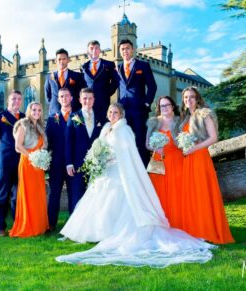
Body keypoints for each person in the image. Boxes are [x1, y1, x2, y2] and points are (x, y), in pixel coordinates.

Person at [56, 103, 216, 268]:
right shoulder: (106, 128)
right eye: (110, 112)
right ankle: (95, 232)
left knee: (114, 201)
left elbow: (127, 152)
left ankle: (111, 232)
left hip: (119, 171)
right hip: (106, 171)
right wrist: (99, 158)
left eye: (116, 112)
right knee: (99, 201)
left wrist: (112, 157)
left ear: (122, 114)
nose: (112, 115)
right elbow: (101, 146)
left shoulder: (124, 130)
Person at [179, 87, 234, 244]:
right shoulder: (184, 118)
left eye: (192, 97)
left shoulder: (205, 114)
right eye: (185, 97)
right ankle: (194, 229)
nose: (188, 100)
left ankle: (206, 229)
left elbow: (213, 138)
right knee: (192, 194)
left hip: (200, 158)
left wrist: (193, 149)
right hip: (188, 159)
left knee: (202, 192)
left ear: (197, 99)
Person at [9, 102, 49, 237]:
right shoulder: (23, 124)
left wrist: (41, 157)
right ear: (29, 111)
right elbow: (18, 146)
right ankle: (28, 226)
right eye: (34, 110)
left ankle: (40, 226)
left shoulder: (40, 126)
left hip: (38, 164)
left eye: (39, 110)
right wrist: (32, 156)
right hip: (27, 163)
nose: (37, 112)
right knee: (28, 194)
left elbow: (42, 145)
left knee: (38, 194)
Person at [0, 90, 25, 237]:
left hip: (21, 161)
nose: (16, 102)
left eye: (19, 99)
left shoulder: (23, 117)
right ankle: (0, 226)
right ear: (8, 101)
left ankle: (17, 224)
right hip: (5, 161)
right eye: (14, 99)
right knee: (2, 194)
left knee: (18, 194)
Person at [117, 39, 157, 166]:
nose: (125, 51)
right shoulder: (117, 68)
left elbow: (152, 86)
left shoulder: (143, 66)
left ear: (133, 49)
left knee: (141, 142)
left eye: (127, 48)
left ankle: (145, 171)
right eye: (122, 49)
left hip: (140, 110)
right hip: (123, 112)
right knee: (124, 142)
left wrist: (147, 103)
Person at [146, 96, 183, 229]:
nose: (165, 108)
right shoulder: (153, 122)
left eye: (167, 105)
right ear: (159, 108)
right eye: (162, 106)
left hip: (176, 159)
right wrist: (157, 148)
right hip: (159, 162)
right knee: (159, 193)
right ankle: (161, 223)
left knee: (176, 192)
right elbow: (147, 144)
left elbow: (185, 140)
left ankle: (177, 222)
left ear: (173, 106)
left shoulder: (180, 121)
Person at [65, 88, 102, 213]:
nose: (87, 101)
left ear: (94, 100)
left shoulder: (101, 117)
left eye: (90, 98)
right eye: (85, 98)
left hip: (96, 163)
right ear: (80, 100)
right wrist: (69, 163)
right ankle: (74, 227)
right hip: (77, 163)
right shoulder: (73, 117)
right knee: (77, 194)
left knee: (95, 195)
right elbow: (68, 142)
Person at [46, 88, 73, 230]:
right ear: (58, 99)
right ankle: (51, 224)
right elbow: (47, 141)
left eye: (67, 96)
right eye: (61, 96)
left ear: (71, 98)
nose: (64, 98)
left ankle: (73, 225)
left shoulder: (77, 117)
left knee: (74, 194)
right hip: (56, 163)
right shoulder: (51, 119)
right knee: (54, 194)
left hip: (72, 163)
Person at [81, 40, 120, 124]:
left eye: (96, 48)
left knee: (103, 128)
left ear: (100, 50)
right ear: (88, 51)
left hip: (103, 103)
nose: (94, 51)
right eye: (91, 48)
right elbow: (82, 85)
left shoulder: (109, 65)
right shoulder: (84, 67)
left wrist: (106, 93)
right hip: (88, 104)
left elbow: (116, 81)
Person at [44, 48, 86, 115]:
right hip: (55, 113)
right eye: (59, 59)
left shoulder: (77, 76)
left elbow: (80, 94)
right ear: (56, 61)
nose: (61, 61)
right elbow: (48, 96)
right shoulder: (49, 77)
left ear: (68, 60)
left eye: (64, 59)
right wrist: (54, 104)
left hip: (74, 112)